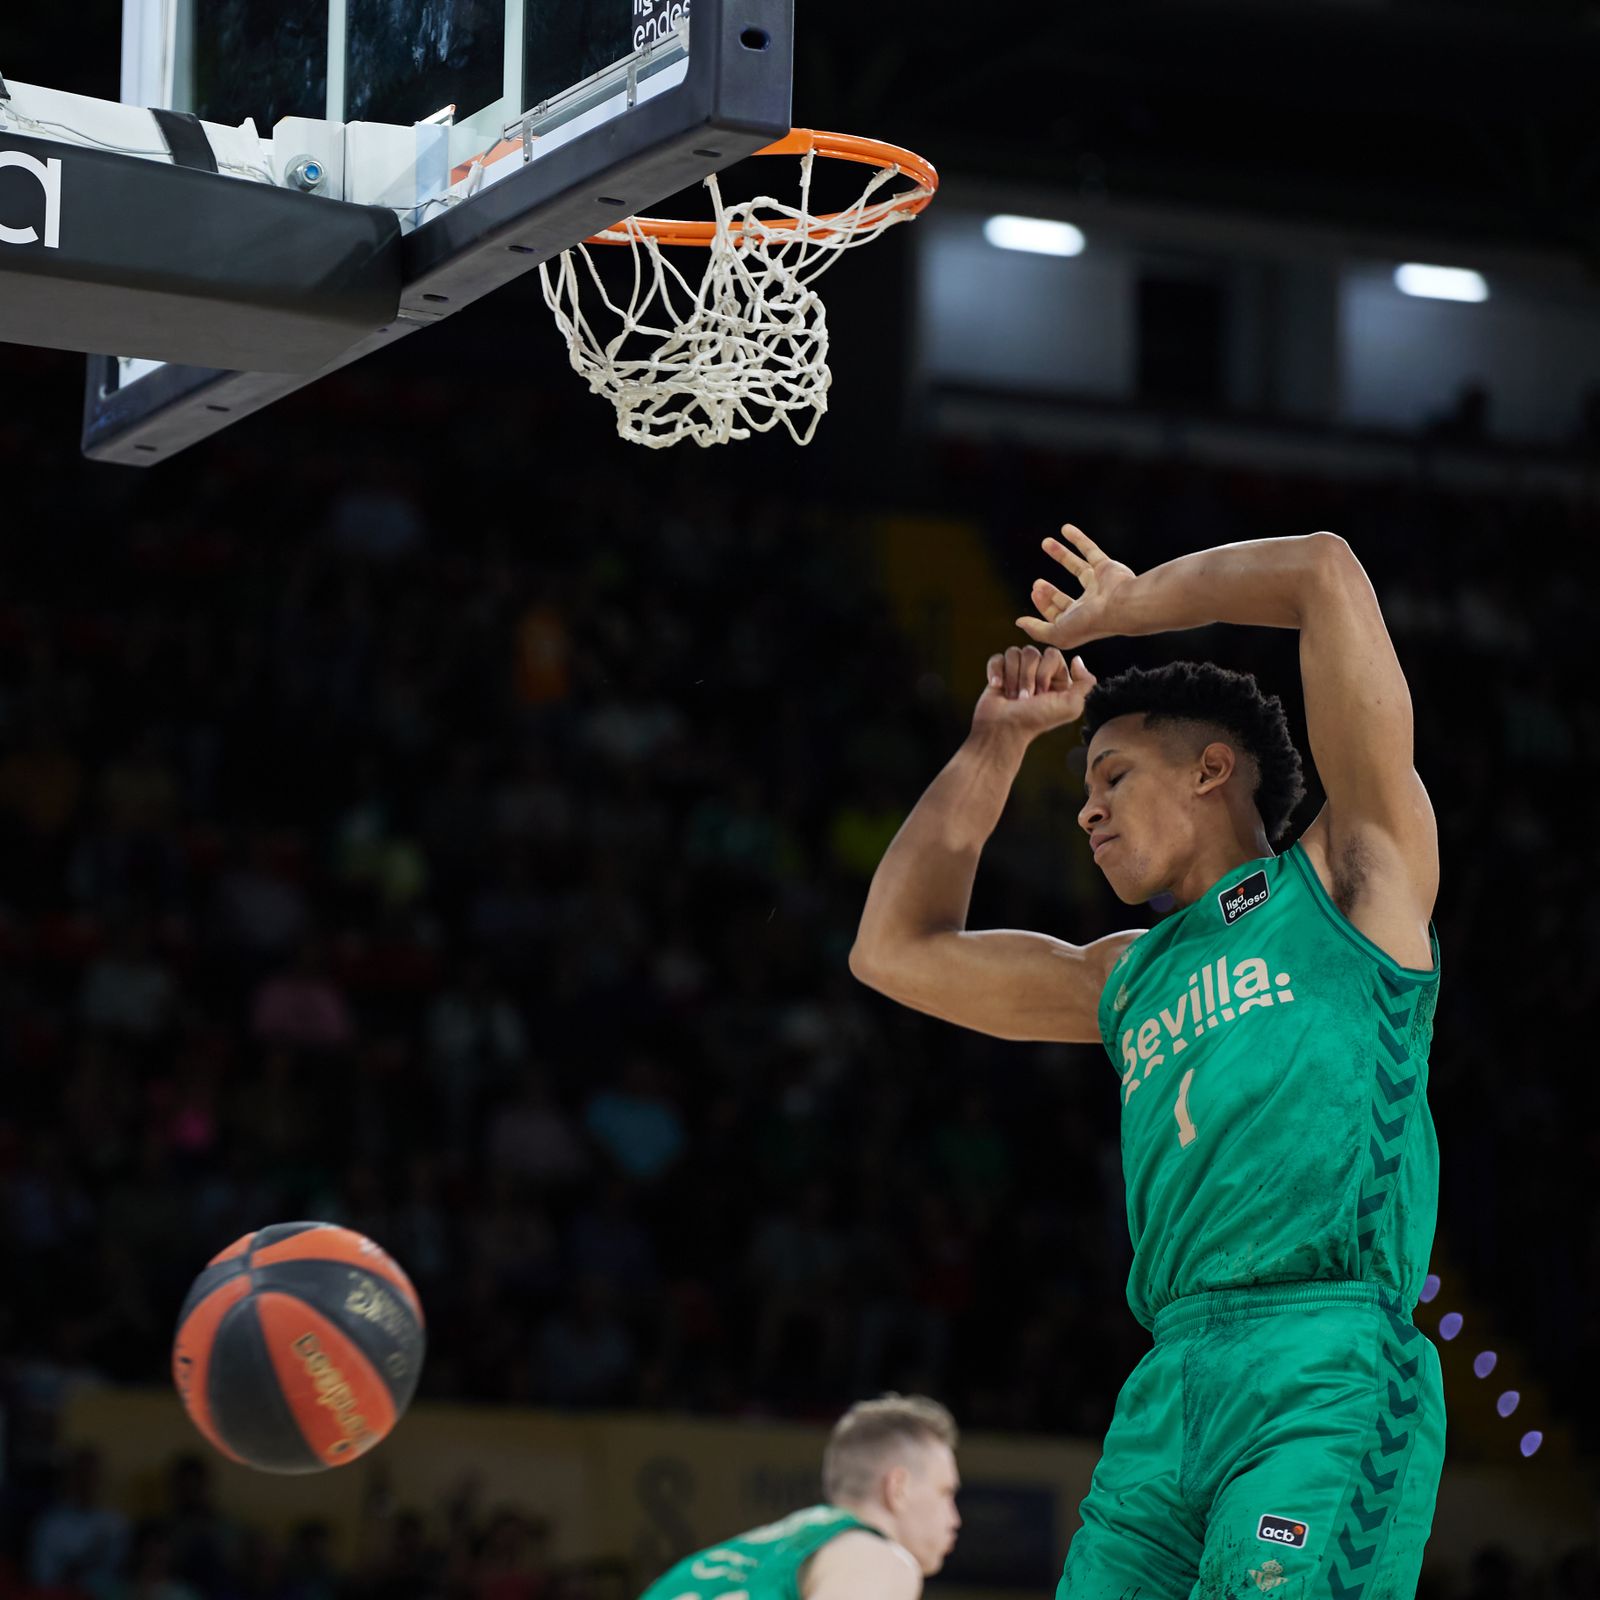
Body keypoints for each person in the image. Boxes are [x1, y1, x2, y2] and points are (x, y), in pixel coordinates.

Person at [851, 527, 1444, 1598]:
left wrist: (1126, 607)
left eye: (1113, 775)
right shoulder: (1123, 977)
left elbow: (1322, 571)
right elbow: (894, 952)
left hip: (1328, 1359)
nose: (1086, 807)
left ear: (1213, 768)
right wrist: (995, 741)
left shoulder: (1352, 881)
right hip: (1171, 1376)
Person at [637, 1394, 961, 1600]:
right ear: (898, 1489)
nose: (955, 1519)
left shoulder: (753, 1551)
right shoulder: (880, 1557)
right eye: (945, 1494)